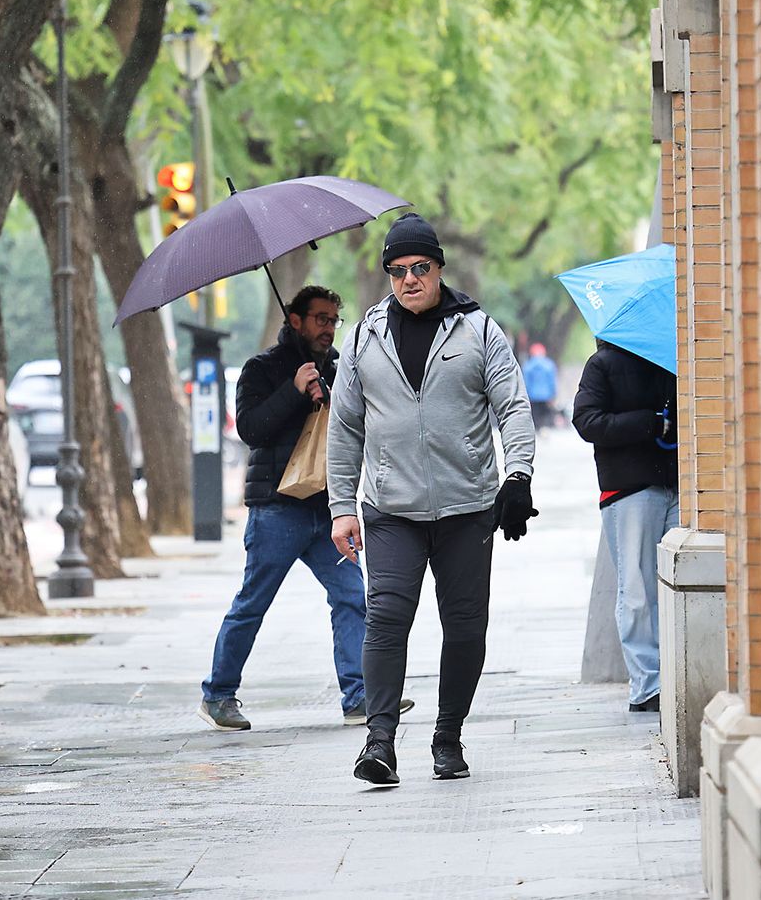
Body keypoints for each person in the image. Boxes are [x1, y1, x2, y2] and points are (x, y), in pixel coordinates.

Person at [328, 213, 538, 786]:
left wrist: (516, 477)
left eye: (420, 268)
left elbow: (513, 408)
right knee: (386, 618)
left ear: (439, 268)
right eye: (396, 271)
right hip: (391, 508)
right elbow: (345, 427)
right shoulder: (365, 337)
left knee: (466, 628)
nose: (409, 280)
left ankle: (448, 738)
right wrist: (341, 507)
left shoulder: (478, 331)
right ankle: (379, 744)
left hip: (467, 507)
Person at [199, 286, 412, 731]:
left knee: (353, 596)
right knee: (253, 602)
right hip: (276, 509)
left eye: (334, 320)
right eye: (320, 319)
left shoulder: (338, 367)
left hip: (327, 508)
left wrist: (331, 395)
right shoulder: (262, 369)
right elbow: (251, 431)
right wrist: (294, 390)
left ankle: (359, 696)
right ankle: (218, 694)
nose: (329, 328)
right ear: (295, 320)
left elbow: (356, 425)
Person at [570, 340, 678, 713]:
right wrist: (647, 422)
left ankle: (673, 679)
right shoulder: (603, 364)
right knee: (636, 590)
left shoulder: (672, 360)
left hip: (676, 484)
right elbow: (587, 421)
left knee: (670, 591)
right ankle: (648, 686)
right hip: (629, 490)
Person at [522, 343, 559, 429]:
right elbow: (552, 382)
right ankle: (544, 430)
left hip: (532, 396)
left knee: (535, 417)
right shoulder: (549, 365)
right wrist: (553, 394)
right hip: (546, 396)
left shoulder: (528, 366)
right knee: (545, 416)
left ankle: (538, 432)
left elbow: (526, 382)